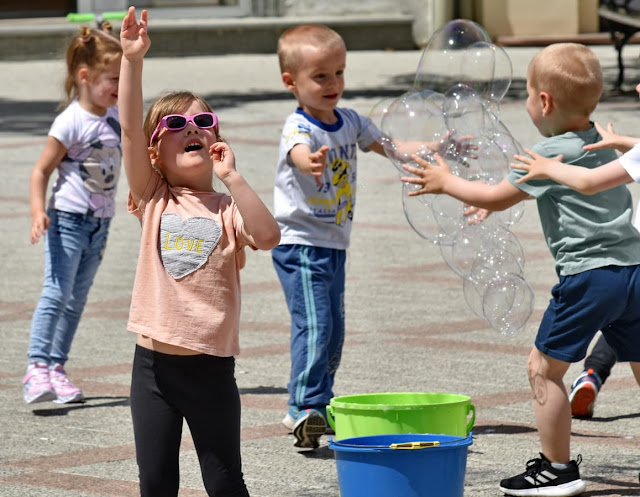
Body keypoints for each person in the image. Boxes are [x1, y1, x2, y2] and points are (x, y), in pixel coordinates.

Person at [400, 43, 640, 496]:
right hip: (635, 272)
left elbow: (493, 194)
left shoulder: (546, 153)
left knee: (543, 370)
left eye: (529, 94)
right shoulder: (604, 144)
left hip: (589, 279)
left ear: (544, 101)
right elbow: (565, 192)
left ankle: (556, 469)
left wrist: (444, 181)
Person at [118, 7, 280, 496]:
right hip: (152, 369)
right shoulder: (153, 196)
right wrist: (132, 60)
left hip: (211, 370)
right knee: (156, 481)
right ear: (153, 153)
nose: (192, 127)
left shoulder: (228, 208)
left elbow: (268, 236)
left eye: (203, 121)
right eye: (176, 123)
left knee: (225, 480)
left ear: (217, 140)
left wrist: (233, 177)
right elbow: (127, 128)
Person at [272, 23, 393, 449]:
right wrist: (309, 163)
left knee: (334, 330)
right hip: (300, 243)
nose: (334, 84)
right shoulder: (298, 125)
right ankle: (303, 406)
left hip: (334, 243)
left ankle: (318, 409)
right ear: (291, 82)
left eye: (339, 73)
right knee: (316, 324)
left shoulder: (350, 121)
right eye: (321, 76)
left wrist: (438, 147)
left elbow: (389, 145)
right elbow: (297, 151)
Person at [24, 23, 123, 405]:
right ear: (85, 77)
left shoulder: (114, 114)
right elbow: (40, 171)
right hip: (66, 220)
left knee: (77, 298)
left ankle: (56, 367)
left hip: (100, 224)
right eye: (113, 78)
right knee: (56, 292)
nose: (120, 85)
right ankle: (36, 368)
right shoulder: (70, 121)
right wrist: (37, 212)